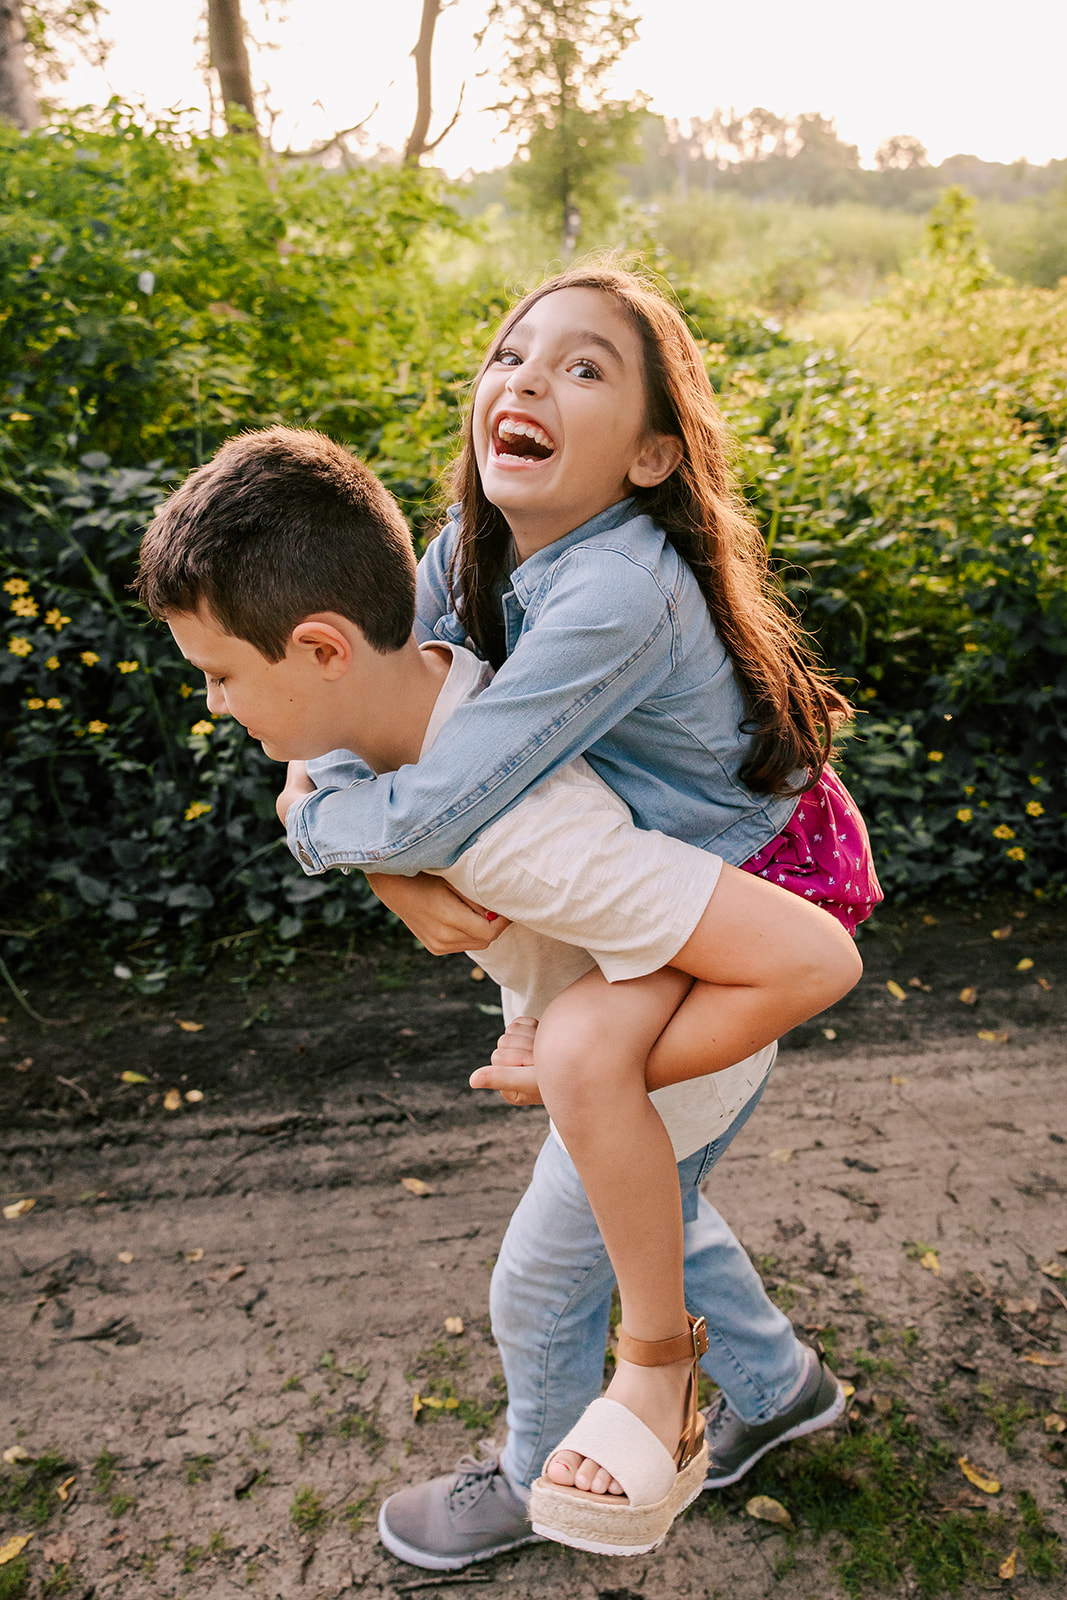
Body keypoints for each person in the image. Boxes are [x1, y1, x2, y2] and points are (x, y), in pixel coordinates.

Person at [136, 425, 863, 1558]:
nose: (219, 708)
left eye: (221, 676)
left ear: (325, 648)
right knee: (658, 1215)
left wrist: (587, 1062)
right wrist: (357, 845)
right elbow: (320, 770)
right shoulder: (434, 663)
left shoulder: (521, 843)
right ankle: (778, 1391)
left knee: (536, 1286)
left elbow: (811, 961)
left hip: (686, 1043)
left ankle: (537, 1484)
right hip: (626, 1014)